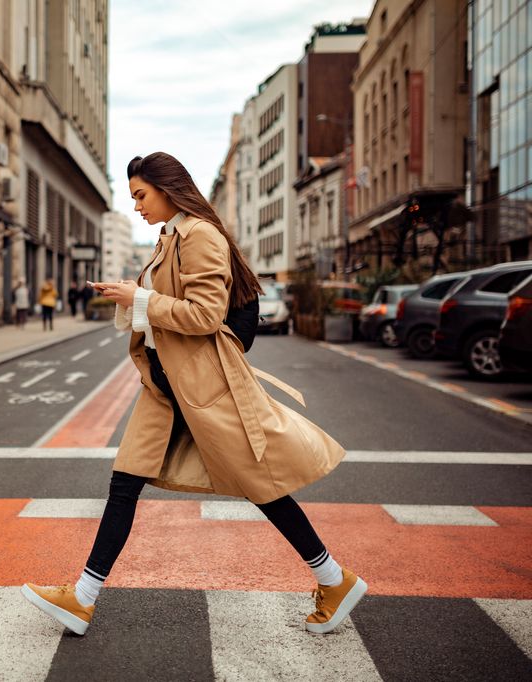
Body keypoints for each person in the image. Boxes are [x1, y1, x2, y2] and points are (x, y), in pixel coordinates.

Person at [21, 152, 364, 637]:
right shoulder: (169, 238)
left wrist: (139, 298)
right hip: (166, 387)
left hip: (201, 387)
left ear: (167, 188)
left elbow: (205, 314)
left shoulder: (200, 235)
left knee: (258, 484)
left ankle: (334, 578)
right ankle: (82, 598)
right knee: (124, 485)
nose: (137, 205)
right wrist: (129, 294)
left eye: (141, 195)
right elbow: (167, 310)